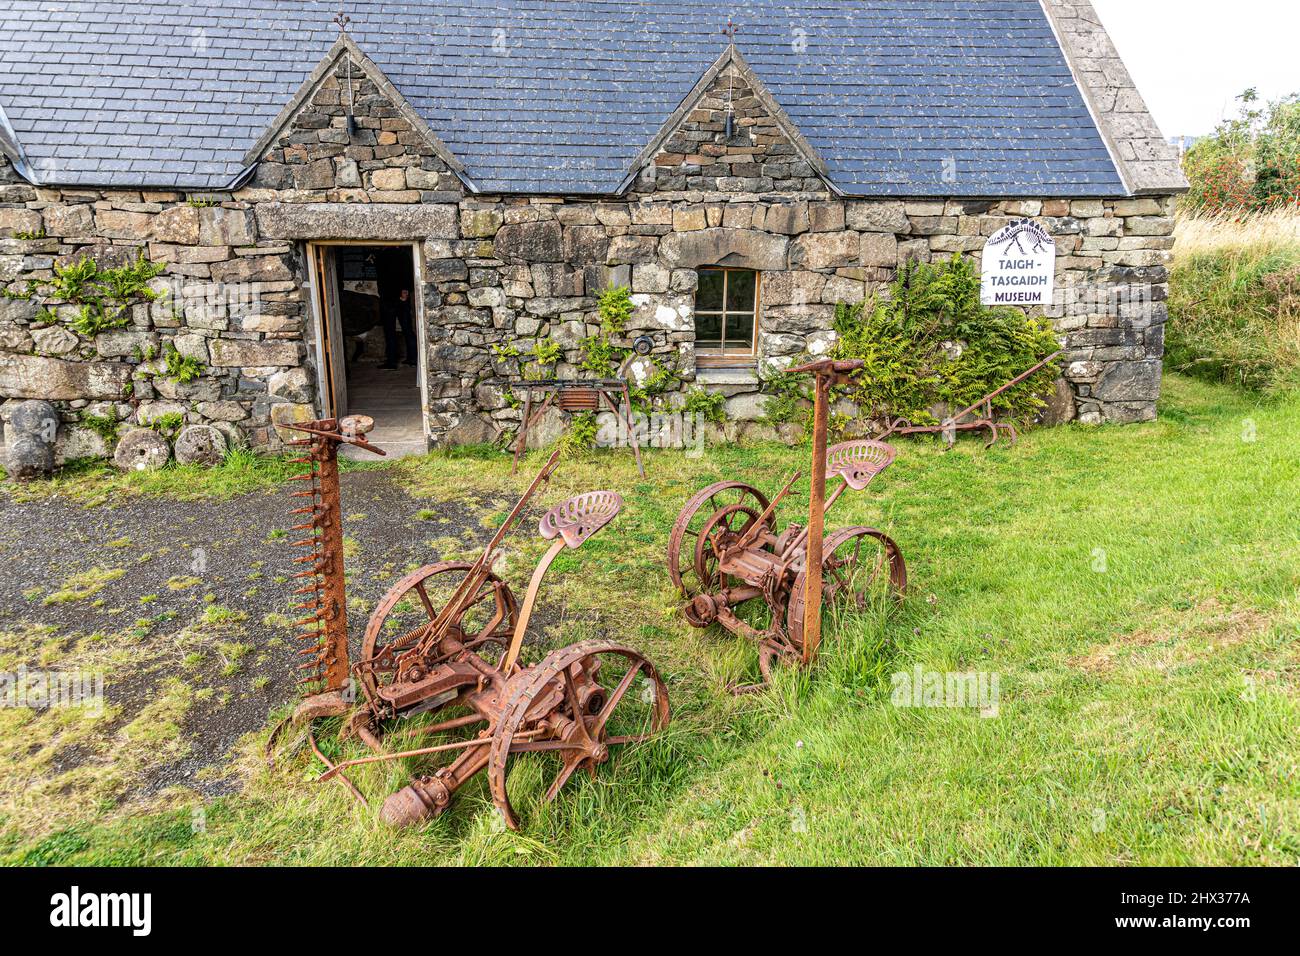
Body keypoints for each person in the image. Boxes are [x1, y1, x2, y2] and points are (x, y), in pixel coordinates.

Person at [379, 287, 418, 369]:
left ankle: (392, 362)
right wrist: (405, 290)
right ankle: (413, 359)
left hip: (389, 298)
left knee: (390, 331)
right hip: (402, 296)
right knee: (407, 329)